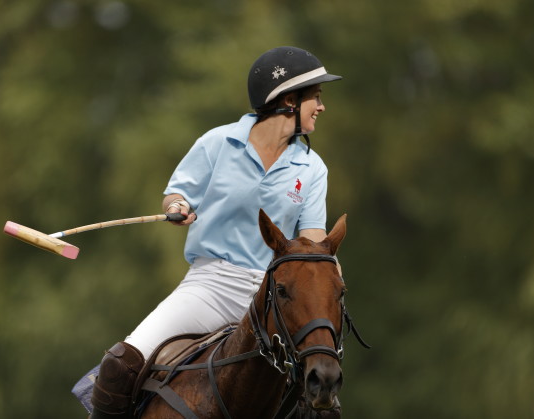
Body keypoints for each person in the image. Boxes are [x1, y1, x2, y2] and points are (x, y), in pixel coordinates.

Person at [89, 46, 343, 419]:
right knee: (119, 366)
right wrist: (177, 207)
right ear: (289, 101)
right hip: (210, 287)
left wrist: (326, 277)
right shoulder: (218, 143)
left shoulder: (312, 167)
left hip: (275, 297)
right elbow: (177, 194)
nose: (321, 107)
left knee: (323, 403)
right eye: (315, 97)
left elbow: (313, 241)